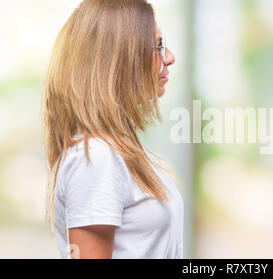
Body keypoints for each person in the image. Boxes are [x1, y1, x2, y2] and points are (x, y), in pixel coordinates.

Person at [42, 0, 183, 259]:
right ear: (120, 57)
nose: (170, 57)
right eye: (158, 46)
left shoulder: (113, 151)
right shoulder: (95, 157)